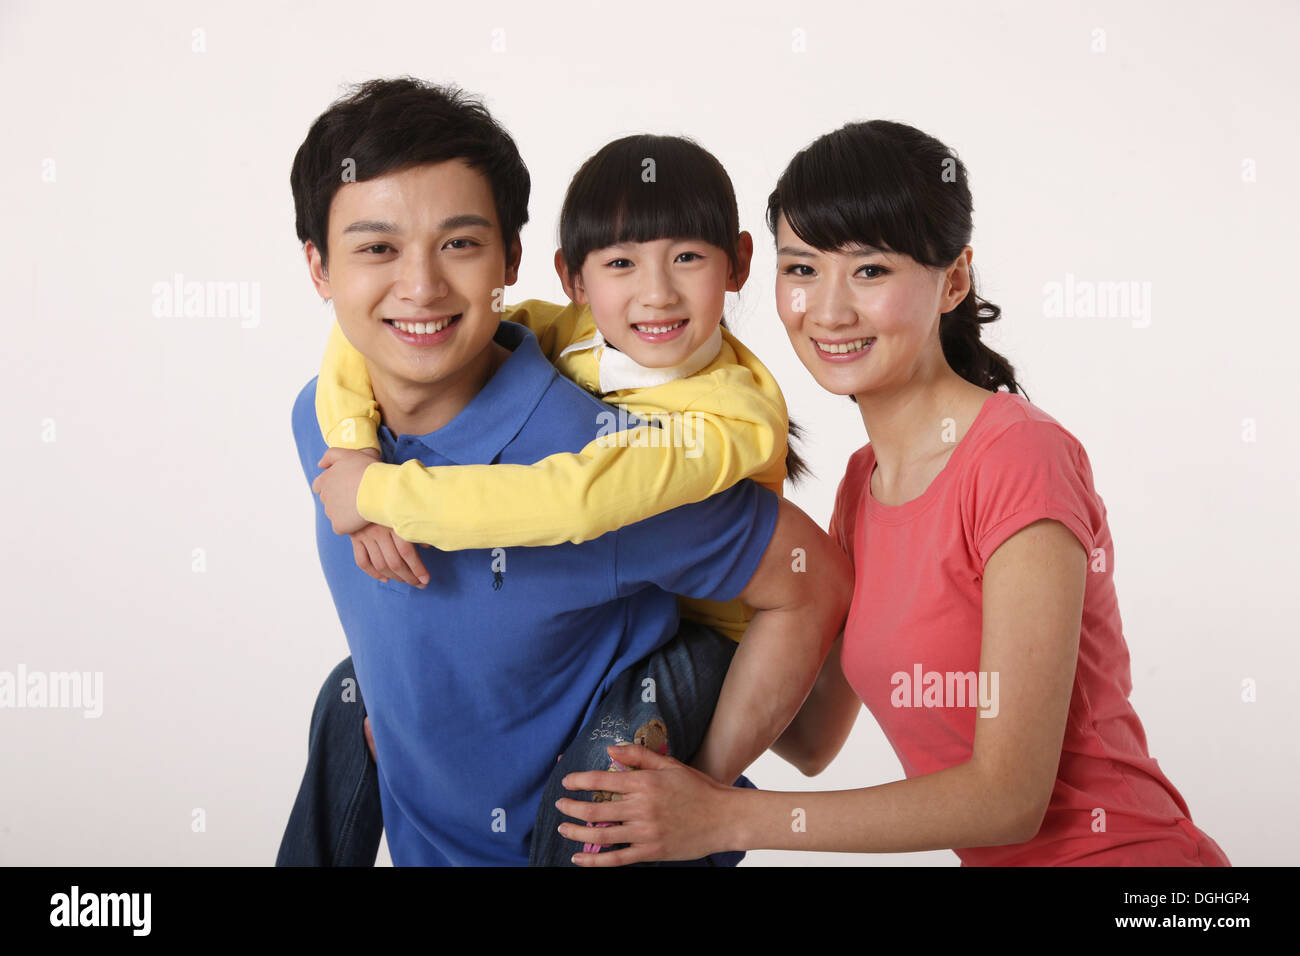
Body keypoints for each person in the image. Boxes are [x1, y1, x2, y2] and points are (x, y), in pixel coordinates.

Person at [555, 120, 1232, 867]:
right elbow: (812, 740)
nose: (830, 309)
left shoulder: (1018, 456)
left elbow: (1008, 798)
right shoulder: (859, 488)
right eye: (803, 268)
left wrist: (729, 819)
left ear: (954, 279)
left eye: (871, 270)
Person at [276, 77, 851, 867]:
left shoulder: (613, 454)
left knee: (600, 791)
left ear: (509, 260)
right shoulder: (324, 422)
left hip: (639, 752)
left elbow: (809, 579)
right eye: (376, 248)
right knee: (348, 693)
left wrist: (708, 792)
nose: (420, 286)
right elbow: (360, 345)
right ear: (320, 269)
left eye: (459, 244)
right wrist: (356, 454)